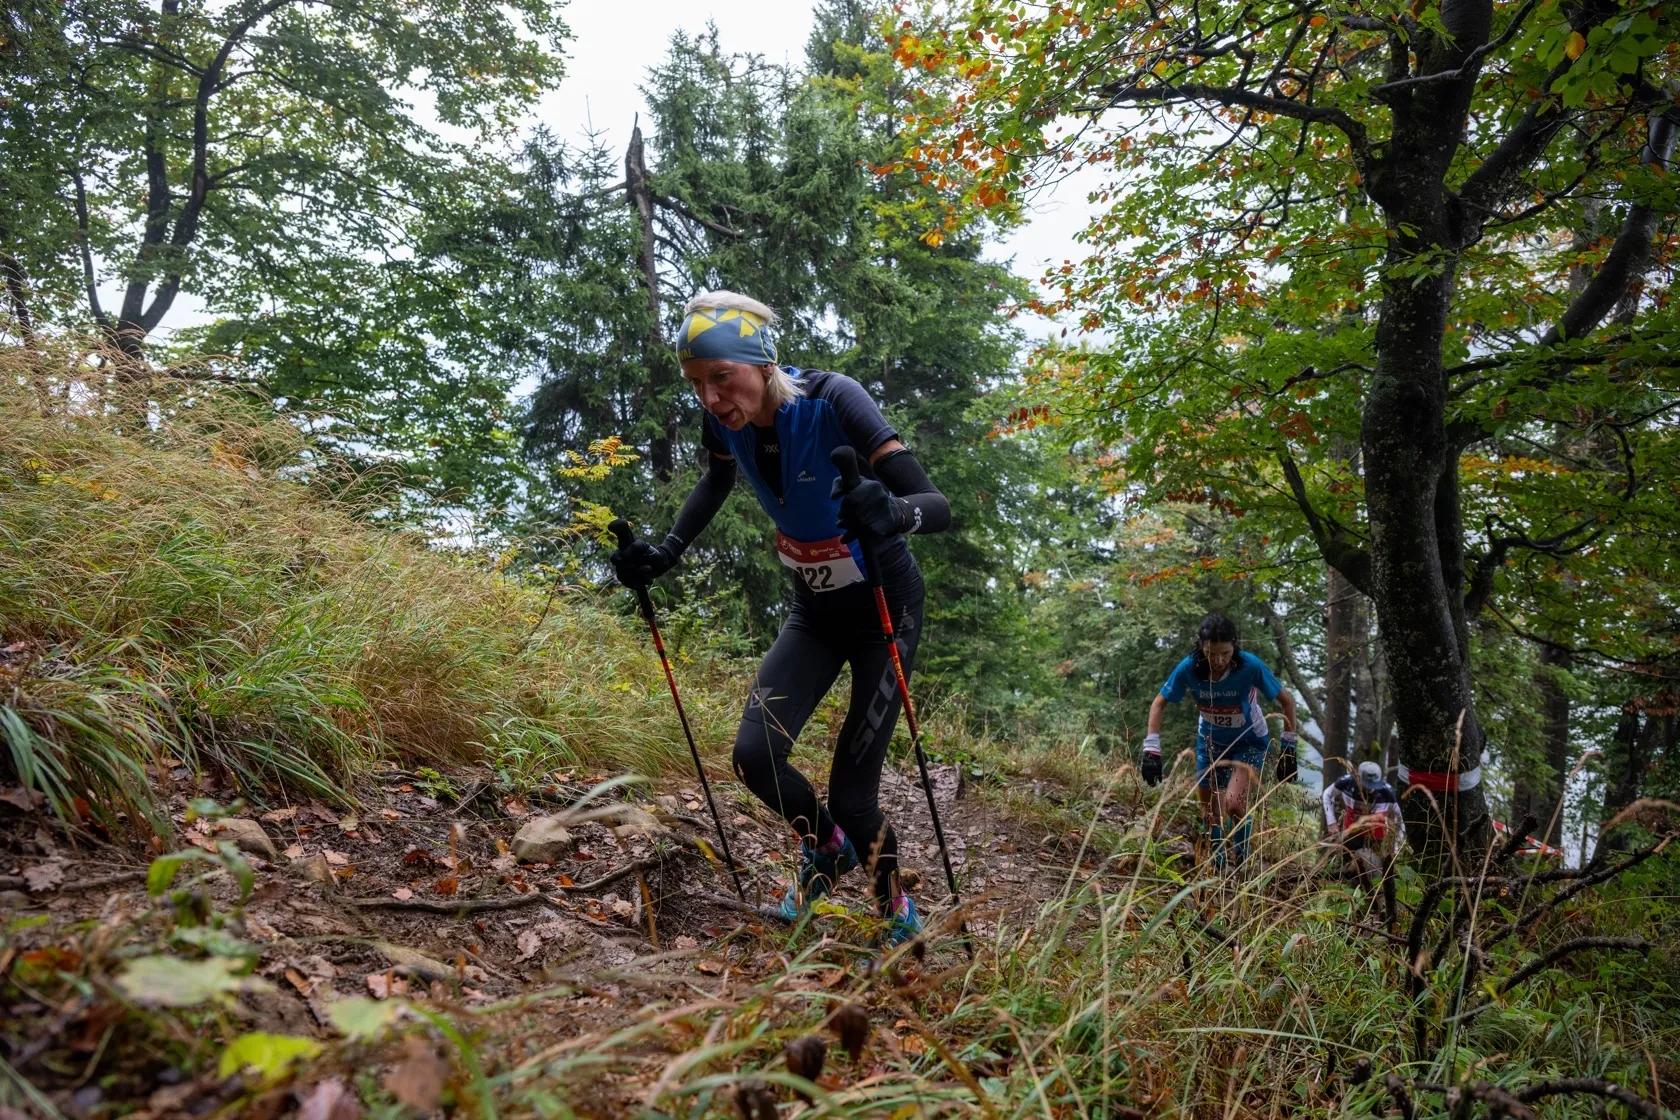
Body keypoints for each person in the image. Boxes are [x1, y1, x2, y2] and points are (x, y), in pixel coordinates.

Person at [610, 291, 950, 945]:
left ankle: (897, 911)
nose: (710, 397)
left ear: (763, 364)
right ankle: (826, 849)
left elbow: (933, 503)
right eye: (696, 383)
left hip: (885, 608)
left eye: (721, 376)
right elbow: (716, 480)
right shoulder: (724, 420)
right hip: (814, 610)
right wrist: (668, 552)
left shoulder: (834, 400)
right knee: (754, 755)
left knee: (854, 796)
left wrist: (893, 512)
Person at [1139, 613, 1299, 869]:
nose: (1219, 660)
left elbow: (1287, 702)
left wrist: (1289, 749)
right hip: (1210, 743)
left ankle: (1243, 863)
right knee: (1210, 813)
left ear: (1234, 646)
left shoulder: (1250, 666)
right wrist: (1152, 749)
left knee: (1234, 803)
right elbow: (1159, 703)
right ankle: (1219, 867)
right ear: (1201, 646)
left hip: (1249, 741)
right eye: (1211, 653)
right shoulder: (1189, 668)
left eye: (1225, 653)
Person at [1322, 760, 1403, 927]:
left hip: (1376, 839)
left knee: (1374, 870)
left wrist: (1397, 846)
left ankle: (1377, 909)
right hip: (1351, 834)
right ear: (1358, 778)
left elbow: (1400, 819)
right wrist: (1331, 822)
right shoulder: (1346, 783)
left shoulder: (1387, 792)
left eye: (1373, 785)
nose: (1370, 789)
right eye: (1367, 785)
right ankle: (1349, 906)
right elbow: (1327, 795)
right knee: (1350, 870)